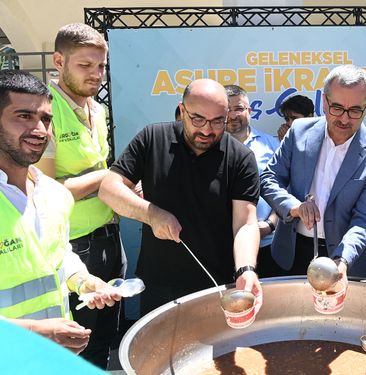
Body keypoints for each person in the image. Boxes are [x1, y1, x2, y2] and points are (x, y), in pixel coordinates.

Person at [98, 79, 262, 315]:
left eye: (218, 121)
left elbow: (245, 223)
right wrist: (152, 214)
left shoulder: (241, 158)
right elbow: (109, 188)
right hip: (159, 283)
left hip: (217, 284)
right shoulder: (153, 138)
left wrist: (246, 269)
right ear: (182, 110)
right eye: (198, 119)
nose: (207, 130)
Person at [0, 70, 120, 355]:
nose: (40, 130)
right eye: (24, 116)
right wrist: (38, 332)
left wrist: (84, 281)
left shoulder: (54, 194)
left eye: (46, 119)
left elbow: (59, 255)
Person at [33, 23, 124, 368]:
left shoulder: (97, 110)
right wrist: (110, 177)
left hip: (109, 238)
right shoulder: (45, 112)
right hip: (73, 246)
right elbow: (45, 189)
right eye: (85, 66)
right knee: (77, 348)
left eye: (100, 66)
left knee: (104, 344)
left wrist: (116, 186)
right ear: (59, 61)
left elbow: (94, 178)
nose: (96, 74)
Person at [260, 64, 366, 283]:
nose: (344, 119)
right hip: (292, 252)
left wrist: (342, 260)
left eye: (355, 111)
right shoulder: (299, 131)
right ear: (324, 102)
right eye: (337, 108)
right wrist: (293, 206)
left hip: (345, 257)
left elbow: (364, 219)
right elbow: (269, 178)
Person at [224, 84, 281, 277]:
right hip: (221, 247)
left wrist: (270, 225)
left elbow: (286, 190)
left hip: (267, 245)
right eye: (226, 110)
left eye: (238, 108)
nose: (232, 115)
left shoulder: (271, 146)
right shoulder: (208, 148)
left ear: (249, 110)